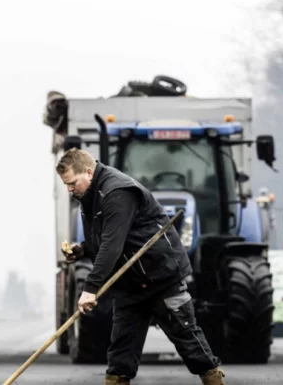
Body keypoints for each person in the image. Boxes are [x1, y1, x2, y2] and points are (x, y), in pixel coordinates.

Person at [55, 148, 226, 385]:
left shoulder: (117, 192)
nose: (70, 189)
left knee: (188, 340)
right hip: (130, 284)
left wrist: (90, 288)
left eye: (72, 183)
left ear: (88, 172)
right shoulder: (89, 196)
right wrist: (82, 249)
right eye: (66, 185)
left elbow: (112, 245)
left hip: (161, 277)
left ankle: (214, 380)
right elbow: (105, 237)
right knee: (121, 354)